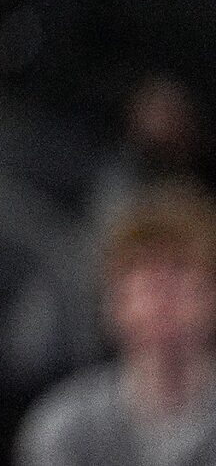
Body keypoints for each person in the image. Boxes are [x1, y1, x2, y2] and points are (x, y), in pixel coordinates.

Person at [16, 184, 216, 466]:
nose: (162, 299)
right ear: (113, 305)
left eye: (180, 276)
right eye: (146, 282)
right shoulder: (66, 427)